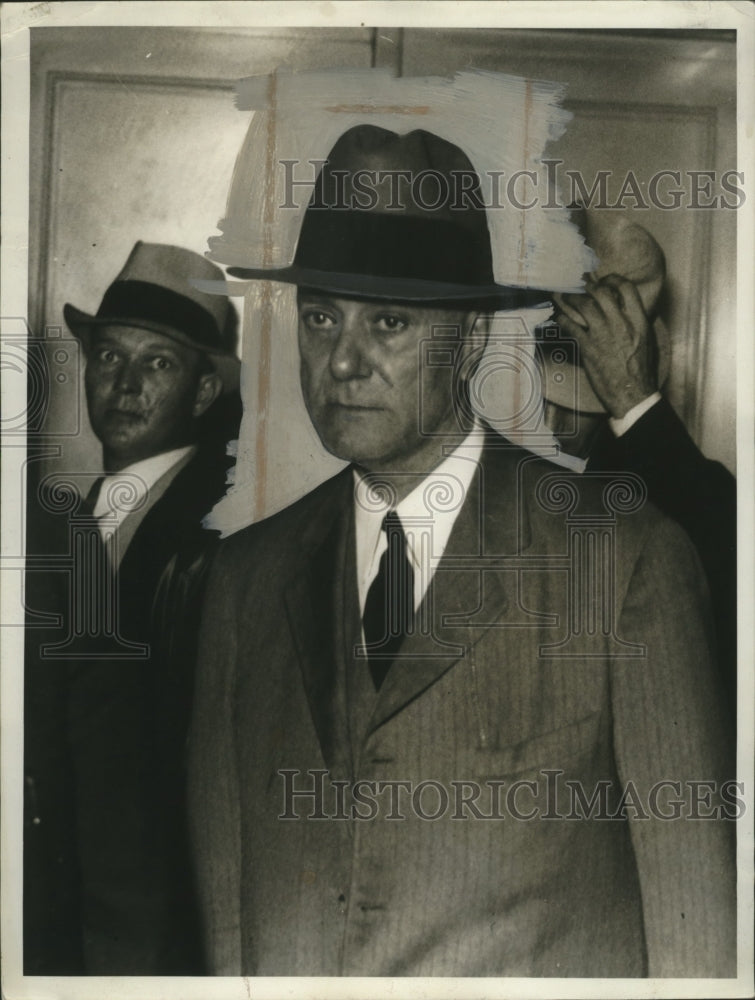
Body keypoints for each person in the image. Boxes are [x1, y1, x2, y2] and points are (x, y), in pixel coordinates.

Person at [188, 125, 735, 977]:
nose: (342, 361)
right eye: (322, 316)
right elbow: (228, 914)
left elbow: (694, 925)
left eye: (392, 322)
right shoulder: (242, 578)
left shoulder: (621, 559)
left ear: (473, 338)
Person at [23, 242, 241, 974]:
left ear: (204, 393)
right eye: (110, 356)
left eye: (158, 364)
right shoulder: (68, 524)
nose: (123, 385)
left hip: (160, 932)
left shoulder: (217, 534)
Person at [538, 214, 736, 708]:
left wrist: (631, 396)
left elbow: (722, 548)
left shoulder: (660, 494)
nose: (553, 421)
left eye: (573, 398)